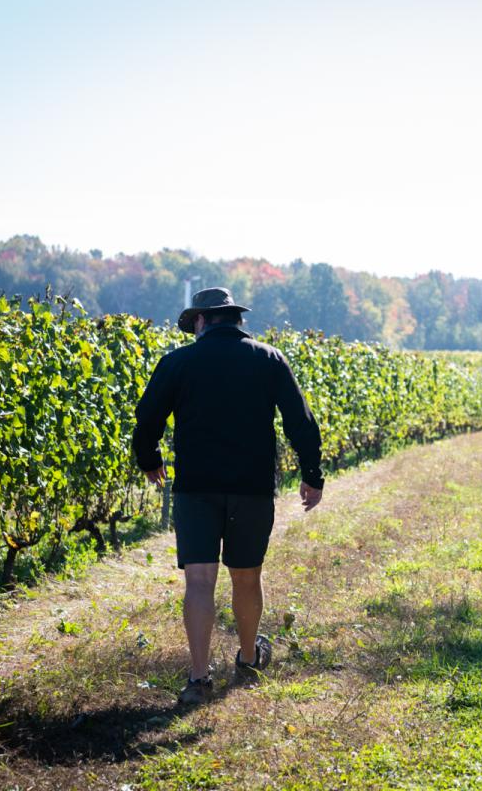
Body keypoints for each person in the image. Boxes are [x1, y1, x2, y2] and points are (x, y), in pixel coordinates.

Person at [132, 287, 324, 704]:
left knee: (199, 581)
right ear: (237, 319)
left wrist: (149, 459)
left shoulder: (179, 362)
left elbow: (147, 417)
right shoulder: (269, 358)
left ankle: (199, 679)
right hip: (251, 488)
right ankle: (250, 656)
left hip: (196, 488)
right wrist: (313, 473)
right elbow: (300, 420)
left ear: (201, 321)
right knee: (247, 575)